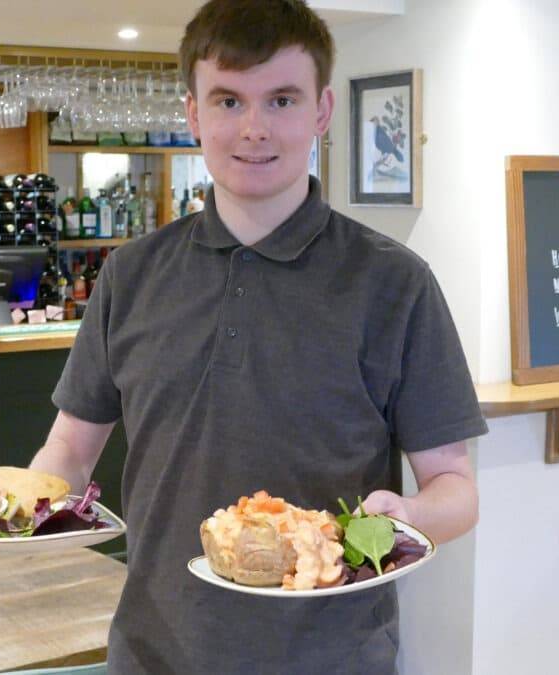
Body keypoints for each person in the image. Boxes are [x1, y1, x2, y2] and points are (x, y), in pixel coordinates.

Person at [30, 1, 488, 672]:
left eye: (280, 99)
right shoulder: (132, 273)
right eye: (227, 100)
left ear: (321, 112)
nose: (253, 129)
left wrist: (406, 515)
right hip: (155, 649)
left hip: (331, 654)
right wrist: (20, 507)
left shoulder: (396, 284)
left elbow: (456, 486)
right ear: (192, 114)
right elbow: (70, 446)